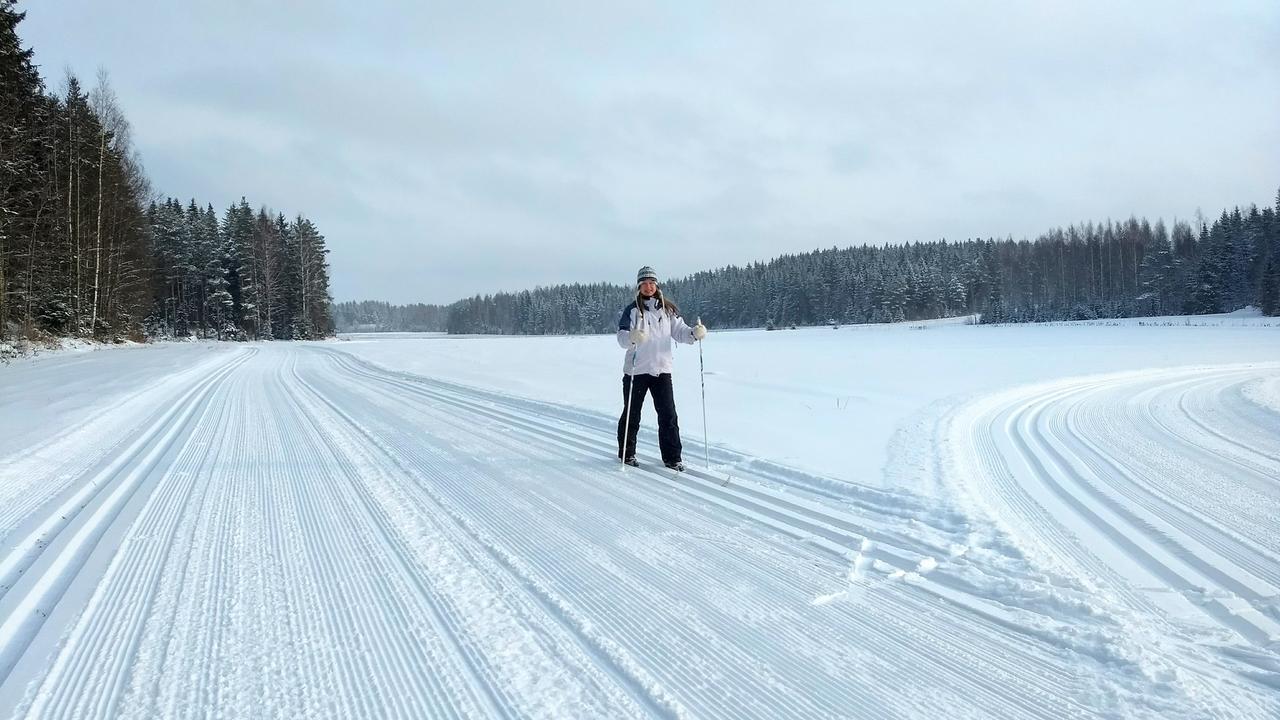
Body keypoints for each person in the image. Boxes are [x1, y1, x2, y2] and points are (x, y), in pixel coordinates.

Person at [616, 266, 708, 471]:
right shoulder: (632, 310)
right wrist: (632, 338)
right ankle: (627, 454)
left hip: (661, 370)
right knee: (632, 414)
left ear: (656, 285)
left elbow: (680, 332)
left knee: (668, 415)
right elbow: (621, 338)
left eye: (652, 283)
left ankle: (673, 457)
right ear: (639, 287)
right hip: (636, 371)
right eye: (644, 284)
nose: (648, 287)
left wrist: (694, 333)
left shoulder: (667, 310)